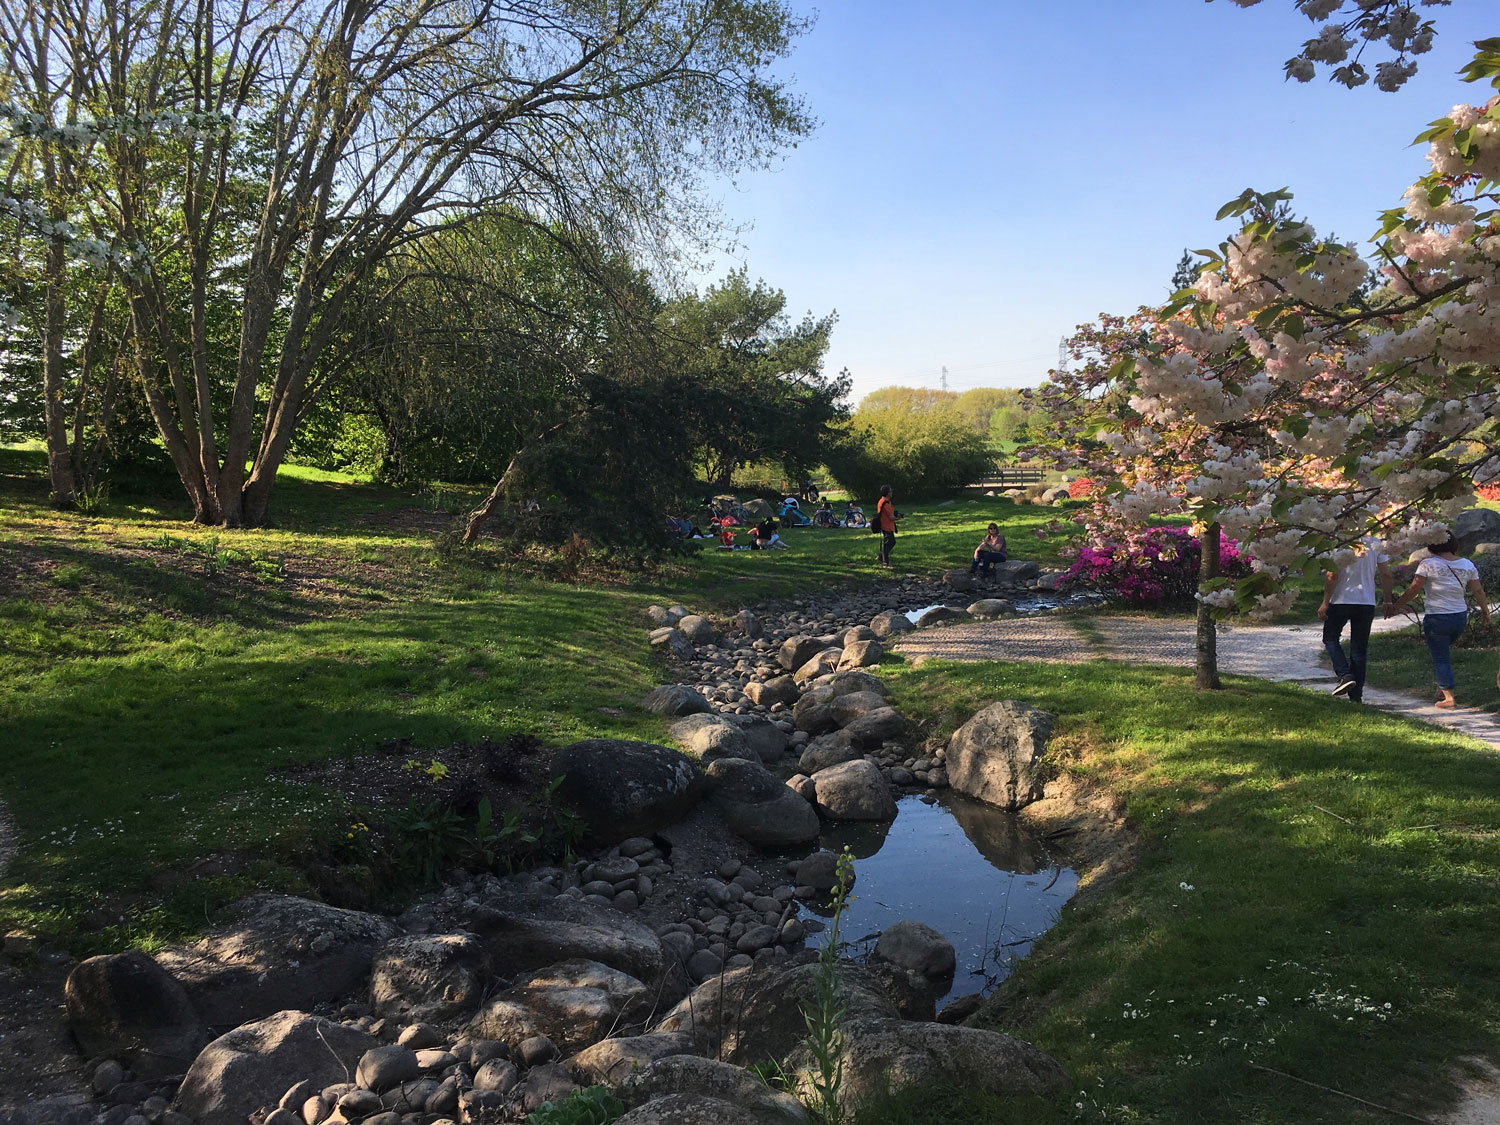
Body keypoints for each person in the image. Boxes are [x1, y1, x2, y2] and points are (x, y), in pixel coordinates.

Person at [1387, 534, 1491, 708]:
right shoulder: (1467, 564)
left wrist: (1396, 606)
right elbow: (1478, 591)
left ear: (1432, 545)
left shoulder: (1428, 564)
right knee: (1443, 653)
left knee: (1440, 657)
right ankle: (1442, 687)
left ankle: (1449, 697)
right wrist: (1485, 611)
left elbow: (1414, 589)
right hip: (1459, 617)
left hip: (1437, 618)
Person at [1318, 537, 1392, 702]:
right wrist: (1388, 599)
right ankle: (1356, 695)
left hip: (1341, 600)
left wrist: (1325, 602)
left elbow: (1332, 575)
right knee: (1359, 649)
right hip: (1366, 602)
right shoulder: (1376, 543)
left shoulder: (1338, 542)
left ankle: (1345, 675)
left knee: (1330, 638)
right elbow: (1386, 574)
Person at [875, 484, 898, 567]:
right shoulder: (886, 504)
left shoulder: (882, 501)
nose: (892, 492)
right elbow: (891, 517)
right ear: (888, 493)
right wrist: (898, 518)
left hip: (885, 525)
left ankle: (881, 557)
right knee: (889, 543)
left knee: (890, 542)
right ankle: (885, 562)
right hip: (886, 526)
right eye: (890, 491)